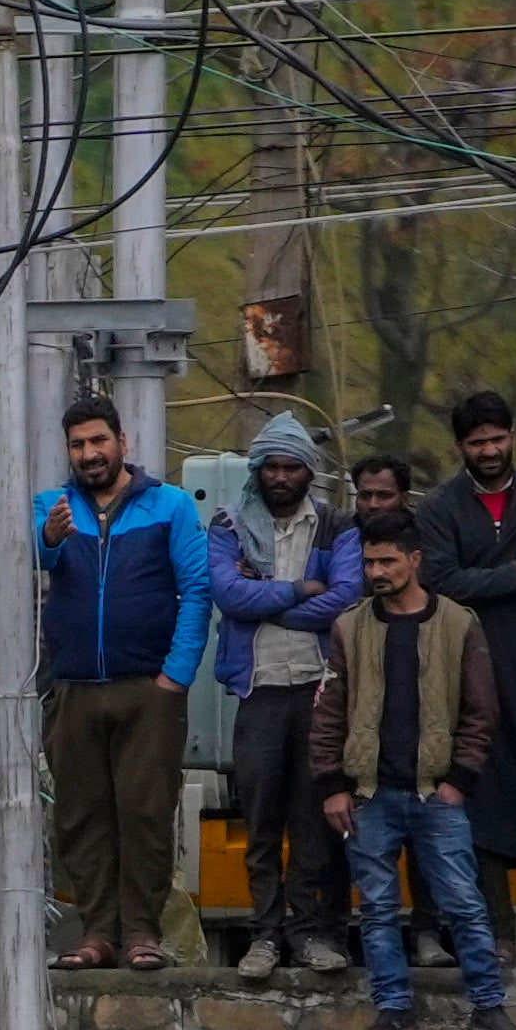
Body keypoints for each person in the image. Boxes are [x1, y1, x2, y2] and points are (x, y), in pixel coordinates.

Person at [315, 506, 516, 1030]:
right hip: (369, 792)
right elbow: (329, 710)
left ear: (415, 560)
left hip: (436, 792)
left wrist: (459, 781)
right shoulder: (350, 626)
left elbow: (482, 711)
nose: (376, 572)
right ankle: (392, 1008)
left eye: (387, 561)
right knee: (377, 909)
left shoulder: (457, 623)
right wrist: (333, 785)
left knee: (464, 904)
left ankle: (489, 1005)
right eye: (369, 563)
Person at [32, 394, 208, 967]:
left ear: (122, 442)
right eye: (78, 444)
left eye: (98, 440)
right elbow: (31, 561)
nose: (89, 453)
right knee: (80, 816)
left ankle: (141, 934)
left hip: (148, 689)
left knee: (145, 813)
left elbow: (197, 590)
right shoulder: (51, 506)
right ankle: (97, 934)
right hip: (74, 687)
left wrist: (175, 676)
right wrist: (51, 538)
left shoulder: (169, 504)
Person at [422, 389, 516, 961]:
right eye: (476, 442)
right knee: (477, 790)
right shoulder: (440, 509)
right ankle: (496, 935)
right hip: (467, 669)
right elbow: (439, 583)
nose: (488, 450)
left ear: (512, 437)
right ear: (460, 447)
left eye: (496, 439)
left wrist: (488, 582)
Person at [205, 411, 358, 974]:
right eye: (270, 466)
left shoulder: (336, 526)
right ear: (257, 470)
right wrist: (298, 590)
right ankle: (264, 936)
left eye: (291, 467)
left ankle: (308, 932)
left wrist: (269, 601)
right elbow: (228, 595)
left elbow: (345, 597)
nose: (280, 477)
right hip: (259, 690)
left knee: (313, 822)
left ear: (309, 471)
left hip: (320, 692)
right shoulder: (229, 524)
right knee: (261, 821)